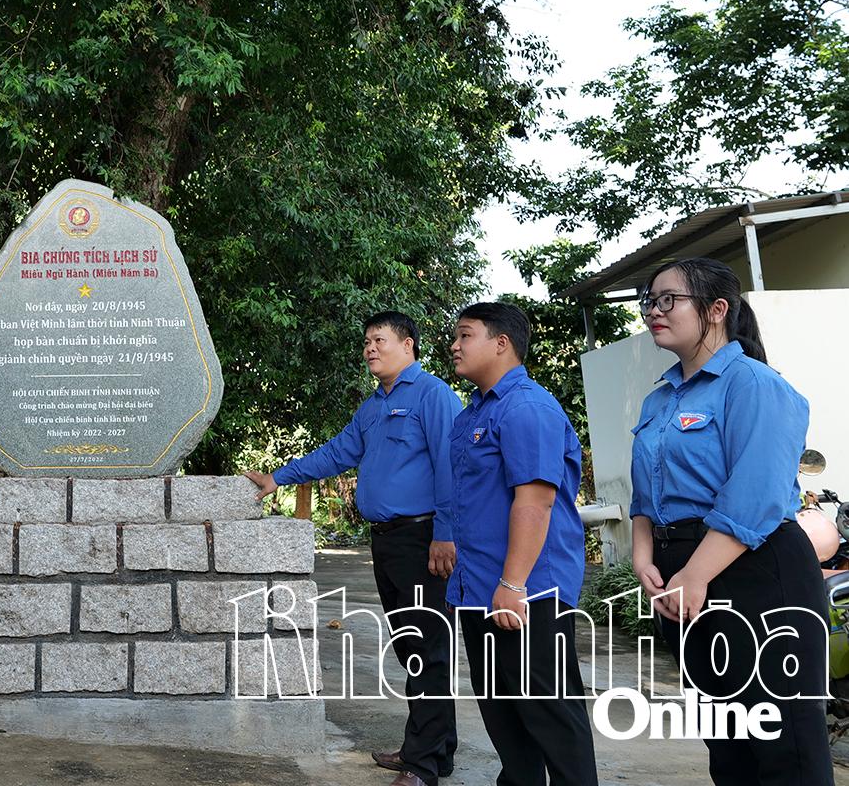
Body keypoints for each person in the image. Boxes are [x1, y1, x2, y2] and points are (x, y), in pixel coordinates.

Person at [629, 258, 832, 784]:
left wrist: (694, 574)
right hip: (679, 575)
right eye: (650, 301)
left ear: (716, 309)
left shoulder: (755, 385)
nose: (654, 311)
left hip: (755, 569)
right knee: (724, 733)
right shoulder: (659, 398)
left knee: (782, 736)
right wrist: (643, 554)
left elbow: (756, 494)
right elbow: (645, 491)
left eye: (668, 299)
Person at [245, 311, 461, 786]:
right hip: (386, 541)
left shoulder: (433, 395)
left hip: (423, 539)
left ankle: (422, 766)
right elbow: (337, 452)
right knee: (411, 647)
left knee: (427, 648)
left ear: (408, 345)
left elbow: (452, 465)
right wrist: (278, 477)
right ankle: (434, 748)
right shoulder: (374, 406)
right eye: (366, 341)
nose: (370, 349)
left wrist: (445, 533)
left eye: (379, 340)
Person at [446, 302, 596, 786]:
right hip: (480, 589)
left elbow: (535, 501)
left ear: (501, 343)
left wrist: (513, 584)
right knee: (504, 715)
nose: (454, 346)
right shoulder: (473, 413)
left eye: (465, 335)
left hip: (526, 592)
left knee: (550, 714)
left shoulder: (527, 408)